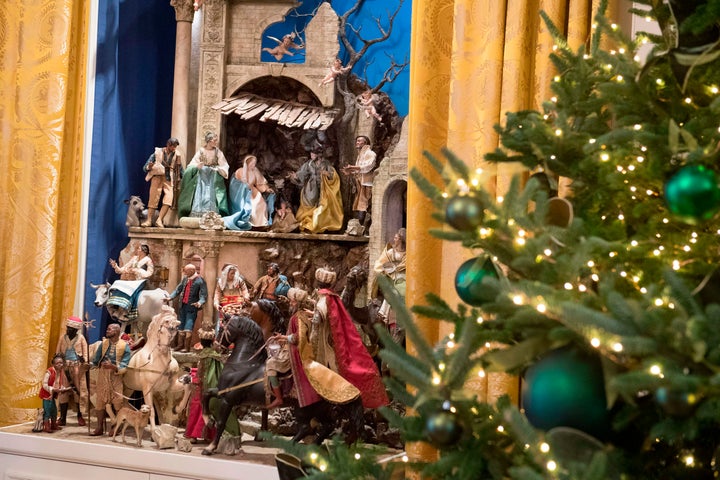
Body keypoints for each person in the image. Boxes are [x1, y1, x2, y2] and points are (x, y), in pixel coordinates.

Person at [310, 267, 389, 408]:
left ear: (318, 283)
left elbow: (316, 326)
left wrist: (310, 347)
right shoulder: (332, 298)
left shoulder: (323, 301)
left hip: (326, 343)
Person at [90, 323, 132, 436]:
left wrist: (113, 367)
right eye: (107, 328)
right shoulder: (103, 344)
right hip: (103, 375)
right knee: (100, 401)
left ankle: (116, 426)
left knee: (117, 401)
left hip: (116, 376)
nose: (107, 330)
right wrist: (90, 365)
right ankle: (99, 427)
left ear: (117, 331)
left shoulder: (124, 346)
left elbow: (125, 366)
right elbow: (96, 359)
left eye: (110, 329)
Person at [291, 146, 343, 234]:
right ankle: (308, 223)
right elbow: (302, 173)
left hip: (323, 186)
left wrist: (327, 174)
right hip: (311, 187)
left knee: (323, 204)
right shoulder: (309, 164)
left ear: (319, 155)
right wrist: (296, 176)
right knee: (310, 202)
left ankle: (319, 224)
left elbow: (332, 174)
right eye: (311, 154)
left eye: (313, 154)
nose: (311, 155)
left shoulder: (326, 163)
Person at [178, 131, 229, 218]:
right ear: (209, 141)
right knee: (200, 193)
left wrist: (219, 169)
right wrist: (197, 166)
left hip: (213, 175)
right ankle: (199, 213)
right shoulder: (201, 151)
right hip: (202, 176)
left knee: (211, 194)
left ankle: (212, 213)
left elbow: (224, 164)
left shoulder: (218, 152)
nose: (216, 142)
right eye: (215, 140)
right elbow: (192, 164)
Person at [55, 316, 89, 427]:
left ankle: (80, 416)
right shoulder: (62, 338)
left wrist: (83, 360)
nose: (68, 330)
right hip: (64, 368)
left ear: (76, 330)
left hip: (77, 369)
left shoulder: (81, 338)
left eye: (70, 328)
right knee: (63, 391)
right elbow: (57, 353)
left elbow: (86, 355)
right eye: (67, 328)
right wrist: (58, 362)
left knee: (78, 392)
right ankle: (63, 418)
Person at [166, 264, 208, 352]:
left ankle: (187, 347)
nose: (184, 273)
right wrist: (170, 297)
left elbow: (204, 295)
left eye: (186, 271)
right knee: (181, 325)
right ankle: (180, 345)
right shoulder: (185, 279)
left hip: (191, 308)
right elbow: (178, 289)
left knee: (188, 326)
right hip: (183, 306)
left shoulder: (200, 280)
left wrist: (199, 302)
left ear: (192, 271)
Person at [141, 137, 182, 227]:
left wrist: (184, 177)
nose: (174, 148)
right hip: (157, 177)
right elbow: (145, 167)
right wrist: (149, 166)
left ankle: (159, 220)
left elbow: (180, 169)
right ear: (168, 145)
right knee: (153, 199)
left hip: (168, 178)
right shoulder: (157, 153)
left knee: (169, 199)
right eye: (173, 146)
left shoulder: (177, 155)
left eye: (175, 146)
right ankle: (149, 220)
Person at [227, 154, 275, 229]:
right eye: (252, 164)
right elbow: (236, 184)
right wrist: (245, 185)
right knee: (251, 206)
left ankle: (261, 223)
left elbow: (259, 183)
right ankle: (250, 223)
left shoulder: (255, 171)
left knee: (262, 204)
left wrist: (266, 189)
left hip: (253, 191)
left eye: (254, 164)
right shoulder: (240, 171)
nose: (253, 165)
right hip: (243, 192)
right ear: (247, 163)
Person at [372, 228, 407, 330]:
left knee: (400, 289)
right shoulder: (390, 252)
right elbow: (380, 263)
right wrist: (385, 270)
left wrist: (399, 269)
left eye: (396, 238)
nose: (394, 239)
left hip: (403, 276)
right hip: (390, 275)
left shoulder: (407, 253)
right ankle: (383, 312)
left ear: (401, 240)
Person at [342, 135, 377, 230]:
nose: (357, 142)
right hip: (360, 183)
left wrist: (352, 167)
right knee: (360, 204)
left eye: (359, 141)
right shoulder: (361, 154)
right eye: (357, 141)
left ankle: (363, 226)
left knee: (364, 204)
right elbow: (359, 170)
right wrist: (350, 171)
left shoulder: (370, 153)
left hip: (367, 184)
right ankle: (359, 225)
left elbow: (367, 167)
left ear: (365, 143)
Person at [38, 353, 73, 433]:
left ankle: (53, 424)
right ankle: (46, 426)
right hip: (47, 395)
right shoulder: (49, 371)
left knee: (54, 410)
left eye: (61, 363)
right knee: (47, 411)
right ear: (53, 364)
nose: (60, 365)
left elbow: (58, 384)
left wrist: (65, 389)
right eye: (57, 363)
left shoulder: (60, 372)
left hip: (53, 395)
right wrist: (53, 389)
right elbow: (44, 384)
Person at [213, 263, 250, 329]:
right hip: (225, 305)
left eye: (234, 273)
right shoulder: (220, 282)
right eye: (231, 273)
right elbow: (217, 293)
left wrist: (246, 296)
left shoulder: (239, 280)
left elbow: (244, 290)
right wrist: (216, 303)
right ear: (226, 273)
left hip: (238, 304)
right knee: (222, 323)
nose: (233, 275)